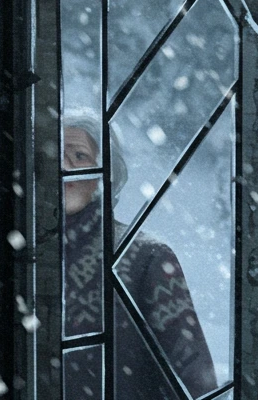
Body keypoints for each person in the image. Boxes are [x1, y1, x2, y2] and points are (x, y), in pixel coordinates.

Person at [62, 110, 218, 400]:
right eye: (57, 154)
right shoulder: (26, 257)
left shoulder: (146, 257)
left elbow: (192, 378)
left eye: (79, 156)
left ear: (105, 174)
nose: (64, 166)